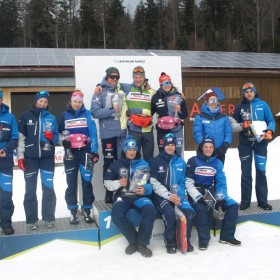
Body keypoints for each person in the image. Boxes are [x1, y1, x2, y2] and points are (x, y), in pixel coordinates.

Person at [104, 135, 156, 258]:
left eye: (134, 150)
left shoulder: (144, 164)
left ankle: (142, 243)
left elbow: (152, 183)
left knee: (150, 210)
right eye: (129, 150)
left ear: (137, 150)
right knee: (116, 215)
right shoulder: (116, 164)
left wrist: (145, 189)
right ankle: (134, 241)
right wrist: (118, 183)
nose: (132, 152)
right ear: (124, 150)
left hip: (139, 196)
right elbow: (106, 183)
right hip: (123, 196)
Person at [186, 135, 241, 250]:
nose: (208, 149)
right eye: (205, 147)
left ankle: (226, 236)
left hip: (211, 191)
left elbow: (221, 182)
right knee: (202, 209)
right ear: (201, 147)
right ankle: (204, 240)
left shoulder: (217, 163)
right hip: (197, 192)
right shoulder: (193, 161)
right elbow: (188, 183)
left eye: (211, 147)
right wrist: (197, 197)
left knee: (233, 205)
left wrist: (221, 197)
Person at [17, 90, 59, 230]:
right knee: (30, 190)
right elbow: (21, 137)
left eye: (45, 102)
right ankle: (32, 220)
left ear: (47, 105)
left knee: (48, 188)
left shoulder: (51, 117)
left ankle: (48, 218)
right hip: (30, 158)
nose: (43, 103)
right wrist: (21, 157)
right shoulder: (25, 115)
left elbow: (57, 137)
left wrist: (51, 136)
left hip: (47, 158)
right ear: (36, 101)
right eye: (41, 101)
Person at [230, 82, 275, 211]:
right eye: (246, 92)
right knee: (246, 172)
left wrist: (270, 130)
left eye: (251, 91)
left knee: (261, 171)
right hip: (245, 143)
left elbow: (270, 120)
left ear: (254, 92)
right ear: (244, 94)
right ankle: (245, 201)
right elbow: (234, 124)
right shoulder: (239, 107)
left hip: (261, 143)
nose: (249, 93)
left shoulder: (263, 104)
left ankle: (263, 201)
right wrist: (241, 125)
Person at [58, 90, 99, 224]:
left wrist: (95, 151)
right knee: (71, 184)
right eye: (75, 101)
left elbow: (93, 133)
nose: (77, 104)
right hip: (70, 154)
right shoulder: (64, 115)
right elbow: (57, 134)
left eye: (79, 102)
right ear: (71, 101)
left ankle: (87, 211)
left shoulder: (87, 114)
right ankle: (73, 212)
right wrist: (63, 142)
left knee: (87, 183)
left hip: (85, 152)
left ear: (82, 102)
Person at [150, 133, 194, 254]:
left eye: (172, 145)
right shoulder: (155, 161)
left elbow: (183, 182)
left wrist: (179, 196)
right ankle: (170, 242)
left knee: (189, 213)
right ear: (163, 146)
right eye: (168, 145)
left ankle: (186, 240)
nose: (170, 147)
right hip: (161, 196)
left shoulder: (181, 162)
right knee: (169, 213)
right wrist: (169, 196)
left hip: (178, 196)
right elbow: (154, 184)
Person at [91, 67, 127, 203]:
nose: (114, 80)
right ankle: (108, 192)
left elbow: (137, 85)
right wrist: (111, 109)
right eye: (112, 77)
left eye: (117, 77)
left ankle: (119, 191)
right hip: (108, 134)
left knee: (121, 163)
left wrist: (146, 84)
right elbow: (94, 112)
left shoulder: (121, 88)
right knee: (108, 164)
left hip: (122, 134)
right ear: (106, 78)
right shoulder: (99, 92)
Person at [121, 66, 155, 162]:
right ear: (133, 78)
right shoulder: (127, 88)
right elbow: (112, 83)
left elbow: (163, 95)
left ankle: (149, 177)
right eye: (136, 77)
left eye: (140, 77)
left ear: (144, 78)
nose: (138, 79)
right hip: (134, 129)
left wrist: (178, 93)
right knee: (134, 157)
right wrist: (100, 85)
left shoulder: (151, 91)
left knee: (149, 158)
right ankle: (134, 177)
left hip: (147, 130)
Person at [151, 72, 188, 156]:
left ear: (171, 83)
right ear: (161, 84)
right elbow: (150, 113)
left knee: (177, 154)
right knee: (163, 154)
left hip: (176, 129)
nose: (166, 85)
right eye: (164, 83)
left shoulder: (179, 96)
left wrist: (178, 111)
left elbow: (185, 115)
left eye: (168, 82)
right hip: (162, 130)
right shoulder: (156, 97)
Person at [193, 89, 232, 164]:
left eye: (215, 100)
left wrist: (224, 146)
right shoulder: (200, 117)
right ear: (207, 102)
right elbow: (197, 134)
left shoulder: (224, 117)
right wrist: (206, 147)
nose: (213, 103)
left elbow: (228, 134)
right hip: (205, 152)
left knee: (218, 173)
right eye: (211, 100)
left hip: (220, 152)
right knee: (204, 173)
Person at [0, 90, 18, 235]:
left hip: (5, 161)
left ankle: (6, 223)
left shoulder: (10, 117)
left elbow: (15, 137)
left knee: (6, 194)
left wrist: (6, 149)